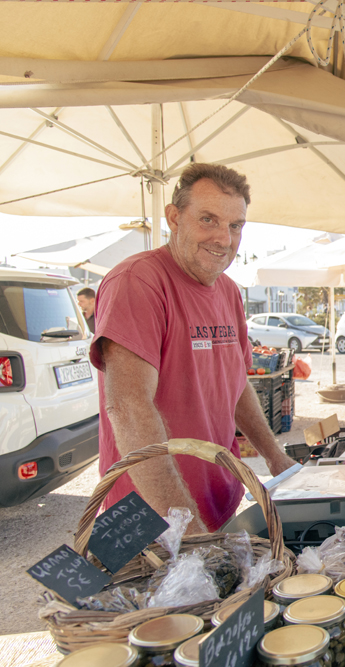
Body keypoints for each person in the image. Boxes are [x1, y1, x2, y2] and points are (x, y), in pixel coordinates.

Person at [89, 163, 296, 534]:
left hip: (219, 503)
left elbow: (237, 386)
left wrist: (276, 458)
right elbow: (128, 406)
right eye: (208, 219)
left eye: (235, 226)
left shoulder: (229, 290)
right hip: (154, 519)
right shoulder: (137, 282)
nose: (223, 238)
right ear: (174, 217)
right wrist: (185, 528)